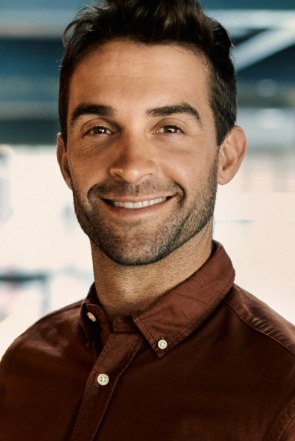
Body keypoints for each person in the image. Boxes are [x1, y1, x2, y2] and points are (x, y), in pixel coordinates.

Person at [0, 0, 294, 439]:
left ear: (227, 157)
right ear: (65, 162)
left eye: (169, 128)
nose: (132, 167)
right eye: (99, 129)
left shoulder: (283, 393)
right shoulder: (25, 362)